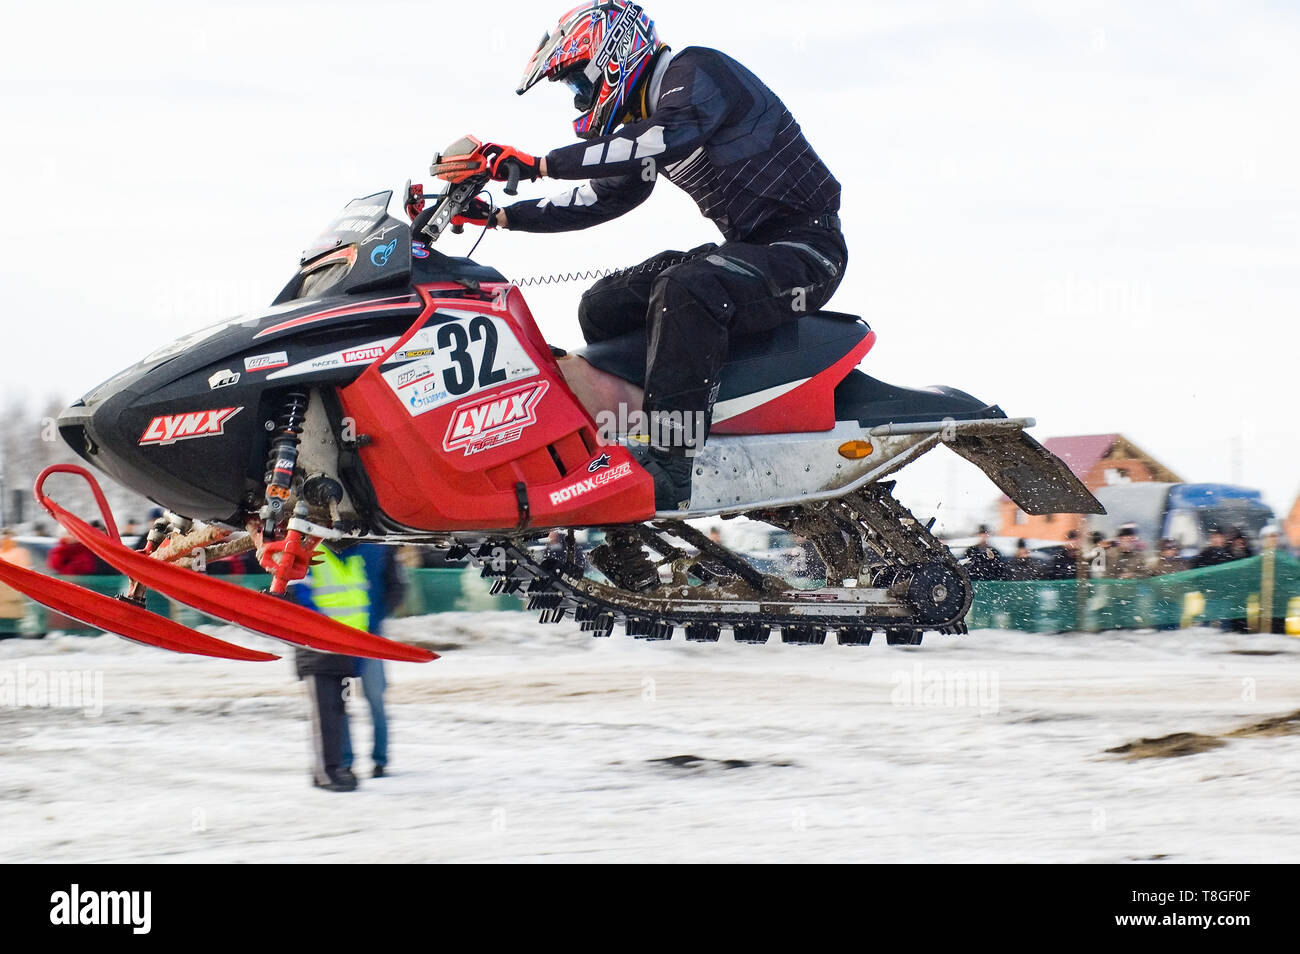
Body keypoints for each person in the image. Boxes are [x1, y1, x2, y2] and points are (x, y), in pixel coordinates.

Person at [467, 2, 846, 510]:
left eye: (580, 83)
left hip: (805, 251)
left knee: (686, 288)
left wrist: (541, 164)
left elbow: (658, 140)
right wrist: (501, 217)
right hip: (747, 252)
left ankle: (672, 461)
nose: (580, 99)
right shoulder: (646, 122)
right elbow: (602, 196)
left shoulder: (697, 73)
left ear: (613, 51)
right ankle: (626, 431)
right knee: (602, 304)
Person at [291, 542, 406, 790]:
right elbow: (301, 594)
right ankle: (341, 765)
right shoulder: (324, 552)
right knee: (335, 708)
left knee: (364, 702)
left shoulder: (375, 549)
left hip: (364, 639)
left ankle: (376, 761)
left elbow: (394, 588)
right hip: (331, 647)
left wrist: (372, 624)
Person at [0, 529, 34, 634]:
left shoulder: (20, 552)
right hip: (6, 590)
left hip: (11, 589)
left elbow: (23, 569)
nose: (5, 540)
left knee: (10, 621)